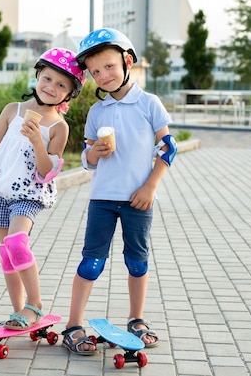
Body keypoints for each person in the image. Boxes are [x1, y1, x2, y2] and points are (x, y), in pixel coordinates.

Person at [61, 28, 177, 354]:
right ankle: (73, 325)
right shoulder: (97, 112)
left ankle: (136, 319)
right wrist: (94, 153)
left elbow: (168, 148)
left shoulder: (149, 104)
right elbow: (86, 158)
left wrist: (150, 186)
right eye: (96, 72)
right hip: (102, 199)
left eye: (109, 66)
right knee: (91, 263)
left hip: (138, 199)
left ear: (127, 61)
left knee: (136, 262)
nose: (103, 76)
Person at [0, 47, 86, 330]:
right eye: (47, 79)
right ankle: (18, 310)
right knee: (6, 252)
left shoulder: (59, 127)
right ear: (38, 76)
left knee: (16, 243)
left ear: (68, 94)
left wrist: (38, 140)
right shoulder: (13, 110)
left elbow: (47, 170)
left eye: (61, 85)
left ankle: (34, 304)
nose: (51, 87)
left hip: (29, 193)